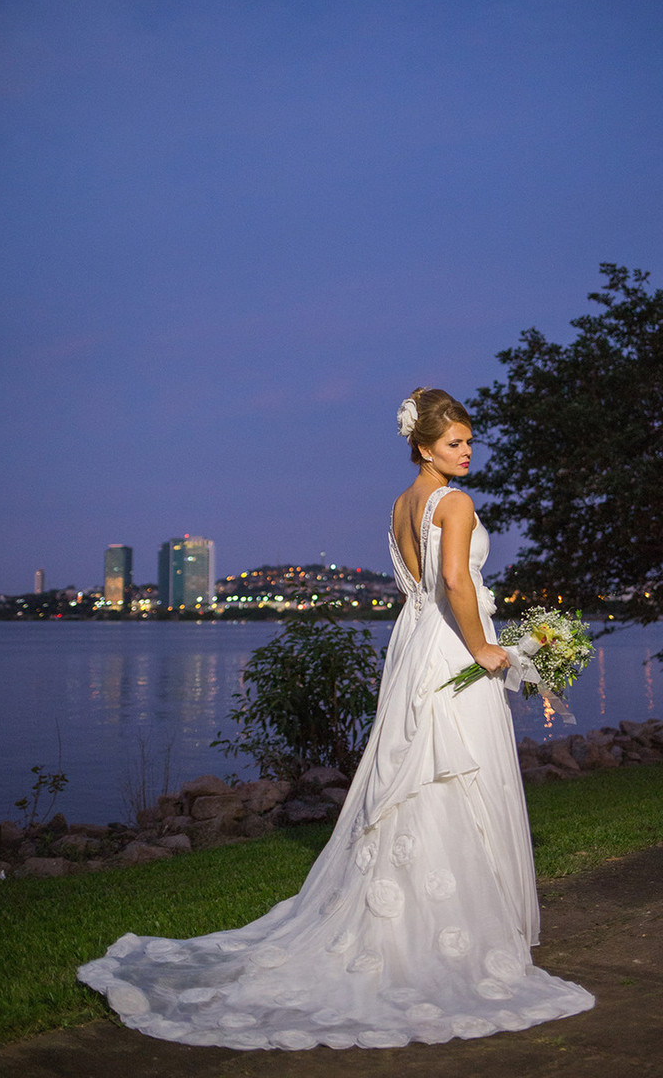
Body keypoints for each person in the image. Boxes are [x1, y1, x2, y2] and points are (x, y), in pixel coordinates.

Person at [78, 388, 594, 1050]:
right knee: (453, 770)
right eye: (452, 444)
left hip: (415, 645)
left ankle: (409, 915)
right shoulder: (455, 503)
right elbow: (459, 588)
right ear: (421, 445)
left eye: (468, 442)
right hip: (450, 643)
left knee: (419, 770)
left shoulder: (401, 504)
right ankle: (444, 932)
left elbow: (425, 586)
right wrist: (488, 650)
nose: (465, 454)